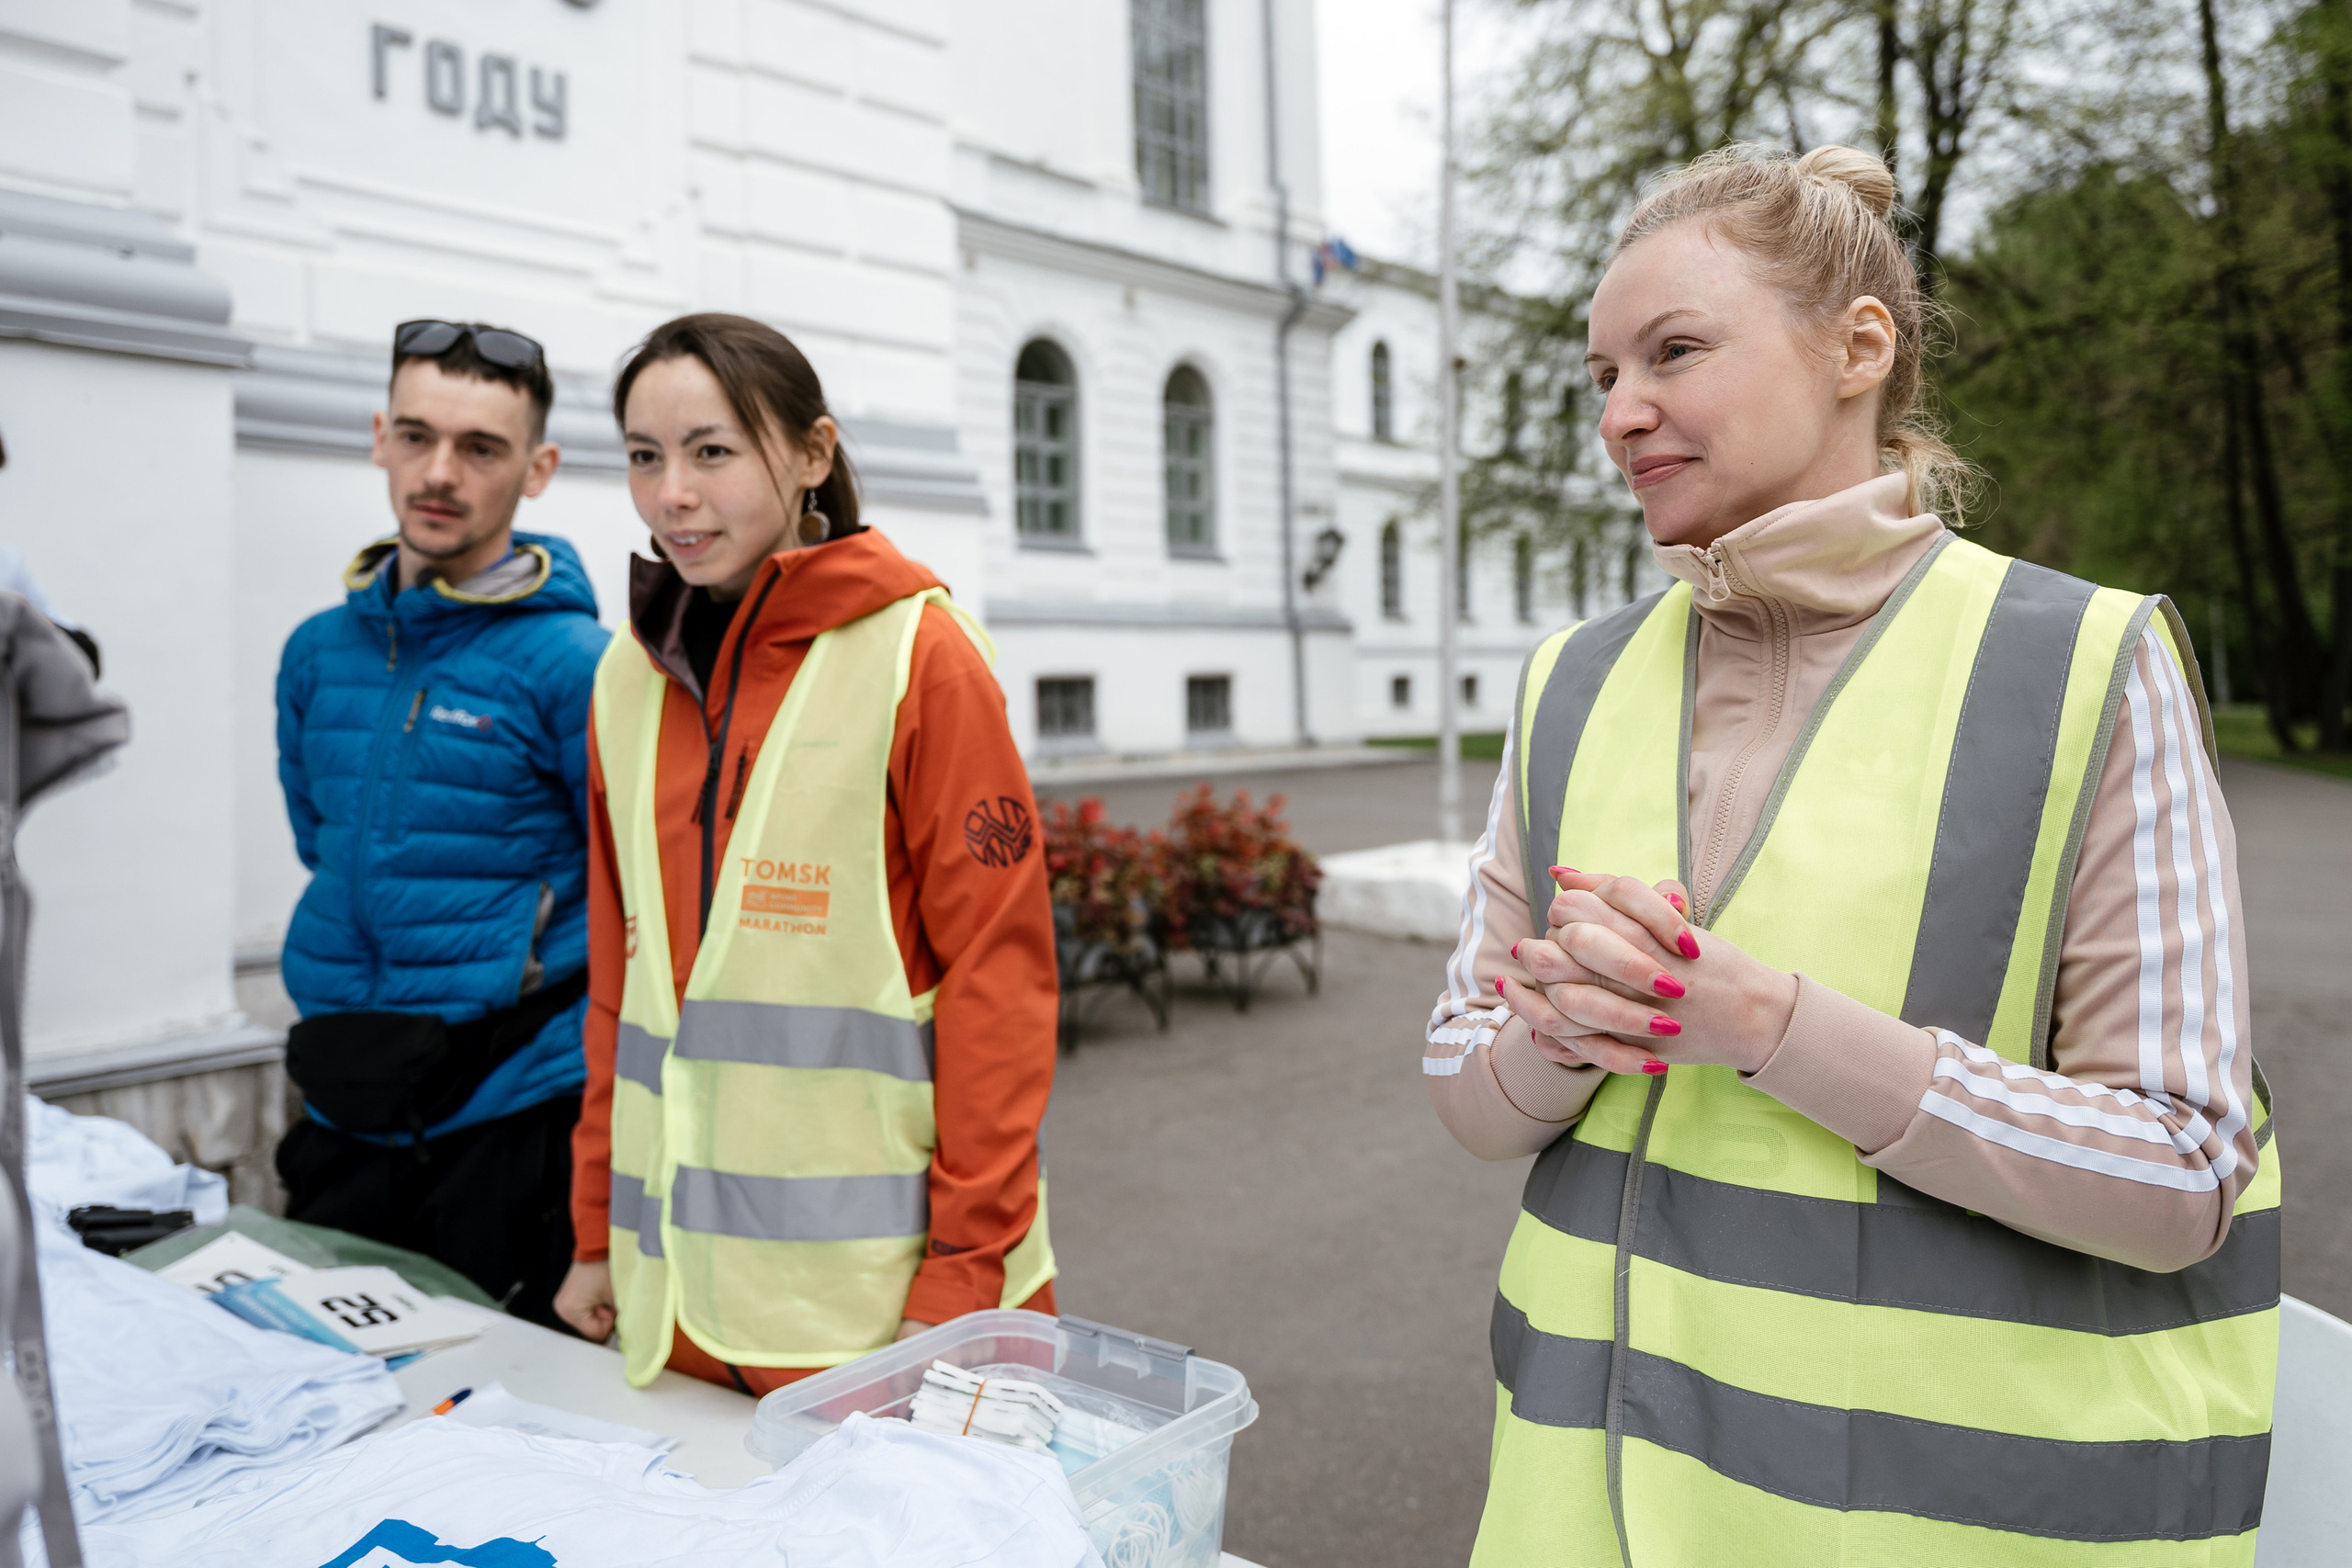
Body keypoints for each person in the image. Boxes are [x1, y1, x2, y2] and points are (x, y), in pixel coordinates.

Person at [1426, 146, 2279, 1564]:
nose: (1621, 413)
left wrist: (1766, 1025)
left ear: (1858, 348)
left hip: (1937, 1526)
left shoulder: (2084, 660)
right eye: (1601, 376)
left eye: (1675, 352)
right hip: (1581, 1509)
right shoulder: (1568, 681)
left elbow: (2185, 1168)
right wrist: (1565, 1035)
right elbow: (1467, 1084)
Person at [552, 313, 1057, 1392]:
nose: (671, 494)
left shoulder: (920, 657)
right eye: (644, 457)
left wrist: (962, 1288)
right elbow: (617, 989)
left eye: (712, 451)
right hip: (672, 1308)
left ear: (812, 456)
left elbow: (998, 989)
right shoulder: (625, 680)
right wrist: (596, 1231)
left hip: (880, 1322)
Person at [274, 321, 610, 1328]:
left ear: (538, 468)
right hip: (344, 1100)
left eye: (480, 449)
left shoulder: (576, 666)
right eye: (416, 436)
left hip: (512, 1115)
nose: (439, 472)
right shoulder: (315, 653)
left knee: (511, 1422)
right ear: (379, 436)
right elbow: (317, 836)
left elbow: (640, 889)